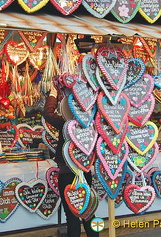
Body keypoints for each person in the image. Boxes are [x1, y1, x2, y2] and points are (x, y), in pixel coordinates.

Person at [43, 85, 99, 237]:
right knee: (89, 213)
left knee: (72, 215)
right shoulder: (90, 125)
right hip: (85, 174)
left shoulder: (65, 124)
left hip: (67, 174)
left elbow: (48, 113)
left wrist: (53, 94)